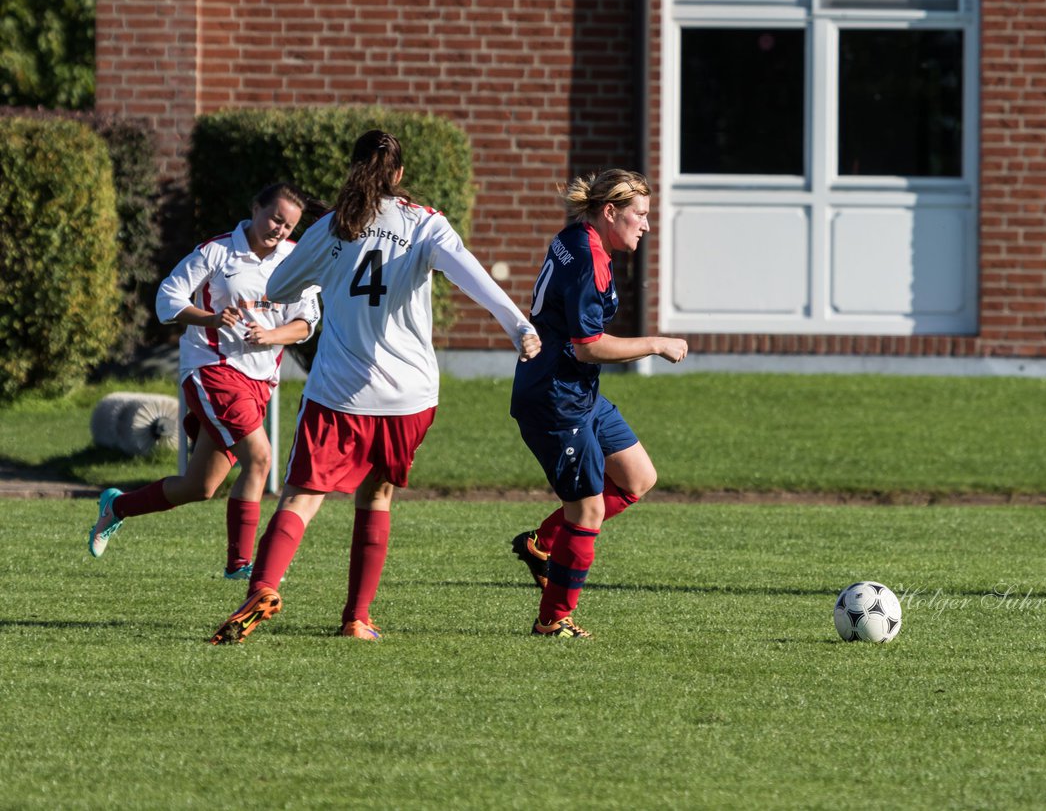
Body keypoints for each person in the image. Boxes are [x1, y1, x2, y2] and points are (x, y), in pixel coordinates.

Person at [209, 129, 541, 644]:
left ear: (353, 169)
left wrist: (324, 261)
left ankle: (264, 586)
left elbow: (277, 288)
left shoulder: (333, 227)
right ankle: (357, 619)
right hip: (410, 396)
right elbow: (476, 279)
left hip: (340, 392)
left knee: (301, 496)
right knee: (379, 494)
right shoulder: (425, 223)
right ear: (400, 175)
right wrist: (520, 327)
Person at [88, 182, 321, 579]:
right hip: (212, 369)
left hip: (259, 381)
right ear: (255, 208)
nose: (280, 230)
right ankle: (240, 564)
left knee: (201, 486)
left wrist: (271, 335)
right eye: (275, 218)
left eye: (289, 226)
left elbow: (305, 323)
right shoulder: (217, 252)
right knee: (260, 458)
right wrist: (210, 319)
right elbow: (168, 299)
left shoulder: (295, 259)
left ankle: (117, 506)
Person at [509, 169, 687, 638]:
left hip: (577, 390)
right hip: (556, 398)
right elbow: (588, 345)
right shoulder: (590, 258)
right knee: (586, 512)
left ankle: (542, 544)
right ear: (610, 212)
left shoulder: (577, 236)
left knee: (638, 477)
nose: (646, 226)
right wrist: (654, 343)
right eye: (640, 215)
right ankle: (553, 619)